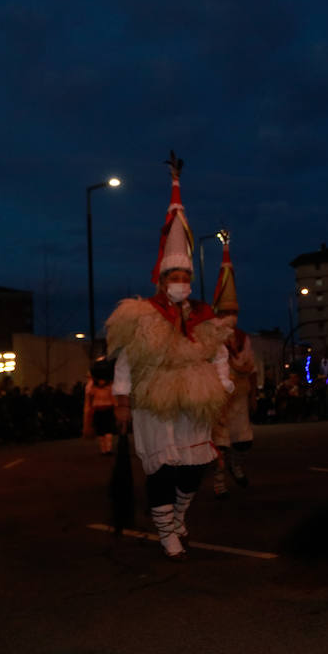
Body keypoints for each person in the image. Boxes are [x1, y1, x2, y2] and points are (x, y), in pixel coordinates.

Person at [105, 155, 233, 559]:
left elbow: (219, 353)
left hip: (193, 399)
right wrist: (122, 400)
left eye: (185, 278)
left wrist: (223, 382)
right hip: (154, 402)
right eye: (174, 278)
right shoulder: (140, 315)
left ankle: (178, 516)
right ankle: (166, 531)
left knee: (194, 467)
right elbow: (124, 361)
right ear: (161, 279)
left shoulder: (202, 315)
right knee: (163, 468)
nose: (180, 284)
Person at [210, 234, 256, 493]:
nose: (231, 317)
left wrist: (254, 395)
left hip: (239, 397)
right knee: (220, 442)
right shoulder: (210, 337)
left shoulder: (243, 338)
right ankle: (219, 481)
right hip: (218, 398)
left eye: (234, 313)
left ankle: (236, 466)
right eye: (226, 313)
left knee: (242, 442)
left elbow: (252, 369)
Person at [82, 358, 118, 457]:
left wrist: (116, 408)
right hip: (98, 410)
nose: (101, 382)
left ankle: (108, 449)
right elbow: (88, 392)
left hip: (107, 409)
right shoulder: (93, 387)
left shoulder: (109, 387)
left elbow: (114, 399)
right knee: (101, 431)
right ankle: (104, 449)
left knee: (108, 430)